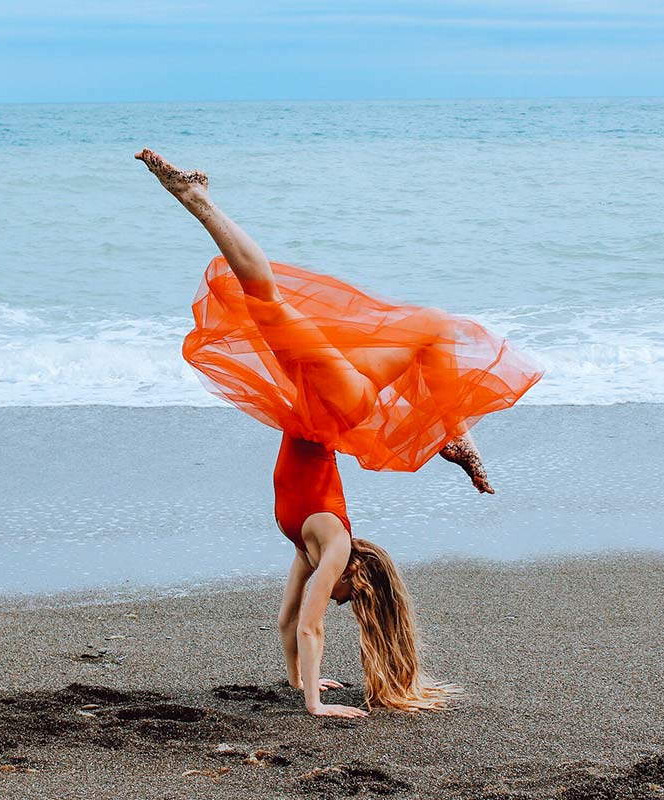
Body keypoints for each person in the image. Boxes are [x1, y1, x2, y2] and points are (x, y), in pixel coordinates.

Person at [136, 149, 543, 717]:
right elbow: (312, 626)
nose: (336, 600)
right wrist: (314, 706)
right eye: (350, 601)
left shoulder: (312, 547)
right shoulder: (335, 544)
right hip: (335, 407)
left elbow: (285, 623)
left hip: (321, 409)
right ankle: (198, 200)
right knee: (274, 301)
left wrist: (303, 681)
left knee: (425, 329)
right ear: (359, 583)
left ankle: (450, 437)